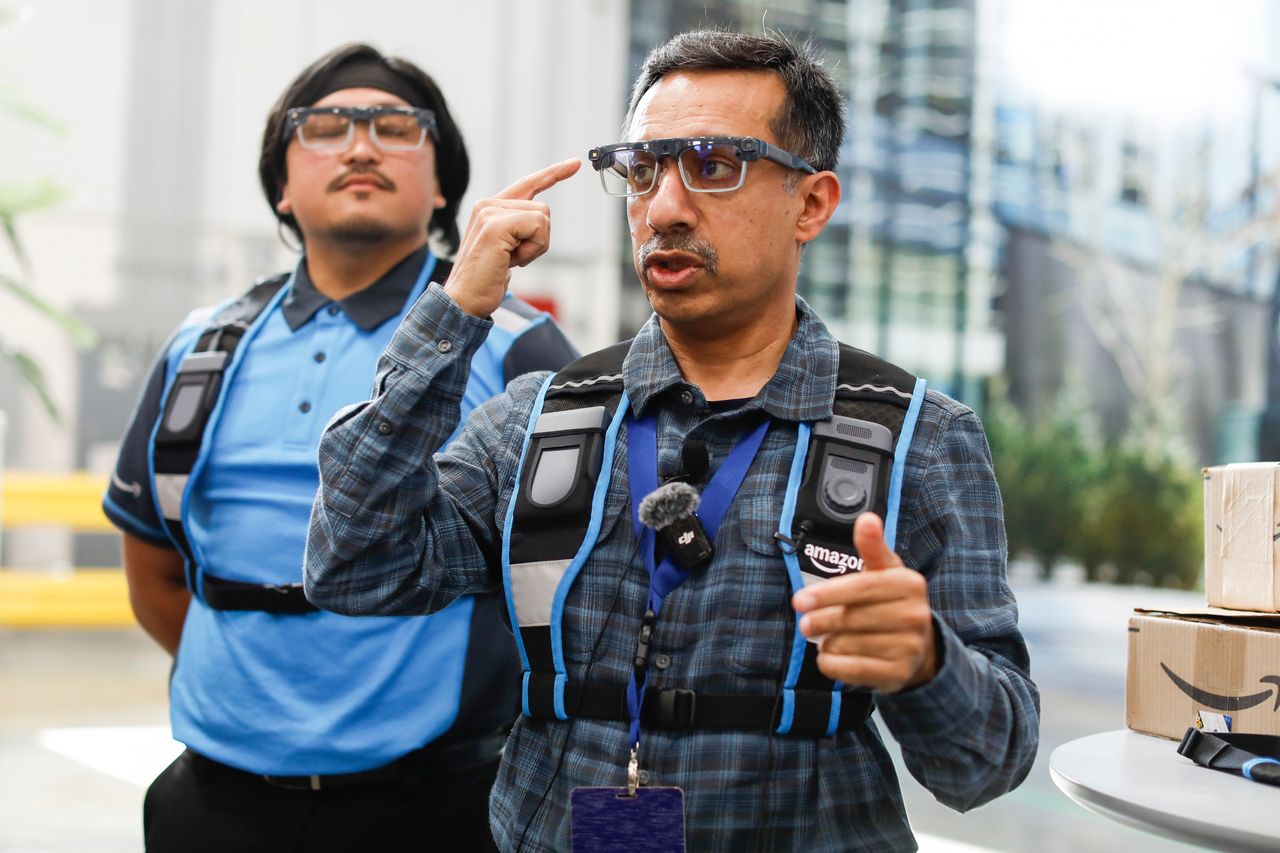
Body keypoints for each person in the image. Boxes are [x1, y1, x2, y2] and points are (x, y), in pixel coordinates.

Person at [305, 30, 1039, 852]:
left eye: (714, 165)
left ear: (812, 203)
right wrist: (451, 317)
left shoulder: (918, 438)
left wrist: (928, 663)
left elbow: (989, 763)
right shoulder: (543, 418)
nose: (662, 208)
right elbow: (353, 566)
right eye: (643, 170)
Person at [102, 43, 577, 853]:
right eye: (325, 128)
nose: (361, 146)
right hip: (212, 800)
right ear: (281, 185)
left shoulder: (517, 349)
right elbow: (153, 571)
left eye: (396, 127)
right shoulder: (201, 349)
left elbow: (589, 588)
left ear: (441, 191)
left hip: (442, 803)